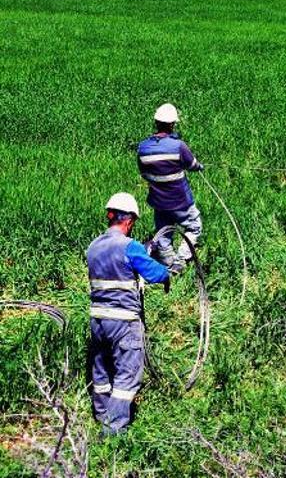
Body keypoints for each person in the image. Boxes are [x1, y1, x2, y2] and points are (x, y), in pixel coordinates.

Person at [87, 192, 170, 434]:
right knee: (127, 377)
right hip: (123, 323)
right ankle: (113, 433)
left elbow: (115, 268)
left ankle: (102, 417)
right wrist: (167, 272)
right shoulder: (130, 246)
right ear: (129, 221)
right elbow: (156, 274)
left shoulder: (93, 247)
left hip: (97, 321)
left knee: (101, 372)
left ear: (110, 217)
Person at [137, 103, 204, 275]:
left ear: (156, 122)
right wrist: (199, 167)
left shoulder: (143, 148)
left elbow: (144, 173)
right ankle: (181, 259)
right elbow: (192, 165)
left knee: (163, 232)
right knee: (194, 226)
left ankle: (167, 263)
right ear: (172, 124)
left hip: (158, 202)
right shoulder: (178, 146)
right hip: (181, 200)